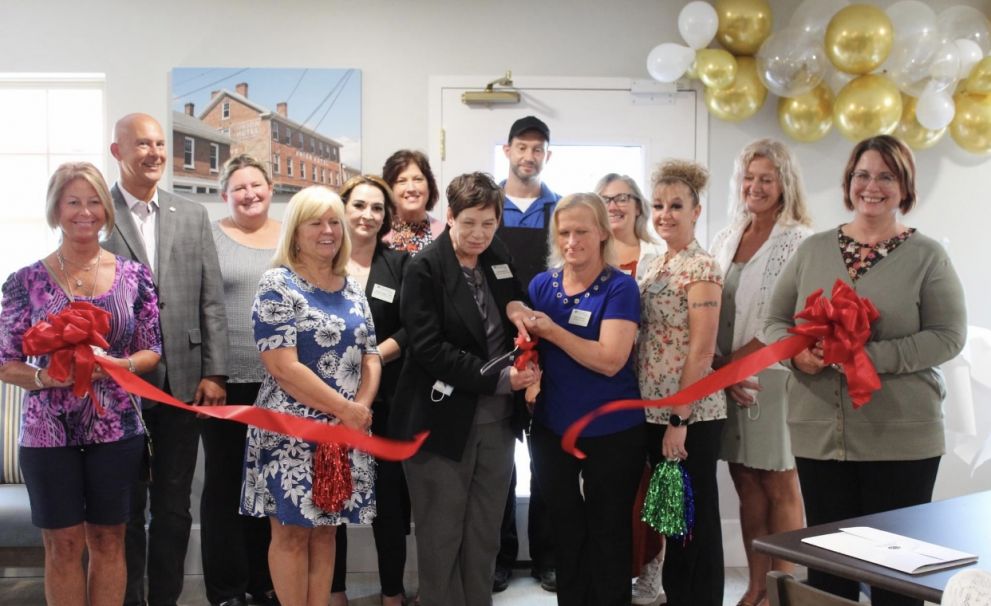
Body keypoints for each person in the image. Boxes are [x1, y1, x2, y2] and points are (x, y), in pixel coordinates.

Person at [765, 135, 967, 606]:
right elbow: (774, 321)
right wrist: (796, 353)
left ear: (904, 187)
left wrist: (863, 357)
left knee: (895, 579)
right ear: (848, 182)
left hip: (901, 439)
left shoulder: (928, 257)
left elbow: (947, 336)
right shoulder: (812, 249)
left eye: (885, 176)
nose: (871, 186)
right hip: (818, 436)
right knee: (828, 572)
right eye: (861, 175)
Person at [0, 162, 162, 606]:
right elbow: (5, 361)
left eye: (93, 202)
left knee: (110, 540)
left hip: (116, 431)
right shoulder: (24, 281)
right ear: (56, 210)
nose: (84, 212)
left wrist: (119, 362)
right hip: (47, 434)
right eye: (73, 202)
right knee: (63, 545)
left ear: (106, 210)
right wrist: (42, 376)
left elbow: (153, 351)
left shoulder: (134, 276)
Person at [390, 172, 538, 606]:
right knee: (441, 536)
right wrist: (498, 378)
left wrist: (515, 306)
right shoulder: (424, 268)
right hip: (440, 422)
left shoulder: (496, 254)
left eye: (488, 224)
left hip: (497, 422)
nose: (478, 234)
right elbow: (429, 349)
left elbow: (512, 300)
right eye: (469, 222)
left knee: (484, 532)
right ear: (450, 216)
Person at [103, 113, 229, 606]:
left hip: (184, 381)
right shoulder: (99, 211)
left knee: (174, 509)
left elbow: (211, 298)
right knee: (127, 509)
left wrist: (214, 371)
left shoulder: (191, 214)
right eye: (142, 144)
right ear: (117, 151)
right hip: (118, 388)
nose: (154, 153)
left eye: (160, 144)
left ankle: (166, 601)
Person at [241, 185, 380, 606]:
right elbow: (283, 366)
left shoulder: (351, 286)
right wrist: (344, 408)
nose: (328, 230)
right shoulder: (277, 284)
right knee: (291, 533)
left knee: (326, 529)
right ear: (296, 231)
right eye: (315, 222)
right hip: (291, 432)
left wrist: (359, 410)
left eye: (334, 221)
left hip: (344, 428)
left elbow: (371, 355)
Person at [519, 192, 646, 606]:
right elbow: (527, 342)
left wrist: (553, 331)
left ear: (603, 233)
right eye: (564, 232)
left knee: (609, 532)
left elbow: (611, 360)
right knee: (565, 530)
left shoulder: (621, 288)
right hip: (553, 429)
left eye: (581, 231)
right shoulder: (543, 285)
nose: (571, 241)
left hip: (614, 432)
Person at [711, 139, 813, 606]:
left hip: (770, 376)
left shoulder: (797, 240)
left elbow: (789, 319)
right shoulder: (728, 234)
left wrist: (736, 368)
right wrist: (720, 369)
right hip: (727, 377)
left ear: (784, 184)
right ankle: (756, 588)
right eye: (749, 178)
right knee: (745, 483)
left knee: (778, 482)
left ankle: (785, 592)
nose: (755, 186)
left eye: (766, 179)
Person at [639, 160, 726, 606]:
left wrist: (680, 418)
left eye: (676, 205)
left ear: (696, 210)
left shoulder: (702, 267)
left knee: (696, 517)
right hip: (651, 410)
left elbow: (702, 350)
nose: (665, 214)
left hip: (690, 414)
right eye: (658, 205)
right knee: (673, 517)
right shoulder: (654, 264)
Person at [203, 155, 280, 606]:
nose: (250, 194)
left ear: (271, 188)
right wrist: (210, 371)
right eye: (240, 188)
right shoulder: (210, 237)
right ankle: (227, 590)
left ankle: (264, 582)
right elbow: (200, 303)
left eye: (258, 185)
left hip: (282, 382)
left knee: (268, 487)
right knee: (225, 485)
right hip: (226, 384)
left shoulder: (291, 235)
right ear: (224, 195)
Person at [330, 175, 410, 606]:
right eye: (359, 205)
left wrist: (372, 357)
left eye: (377, 208)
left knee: (388, 502)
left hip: (388, 401)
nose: (367, 215)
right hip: (330, 401)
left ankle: (392, 593)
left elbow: (413, 327)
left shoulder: (400, 265)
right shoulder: (322, 261)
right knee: (333, 494)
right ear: (343, 208)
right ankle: (335, 590)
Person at [494, 115, 561, 594]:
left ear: (547, 156)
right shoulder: (486, 207)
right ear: (507, 150)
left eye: (538, 148)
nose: (529, 155)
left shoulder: (561, 211)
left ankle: (549, 557)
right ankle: (498, 556)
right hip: (494, 346)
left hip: (551, 345)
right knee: (498, 457)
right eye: (522, 146)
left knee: (547, 457)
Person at [594, 173, 665, 605]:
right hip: (607, 389)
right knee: (618, 491)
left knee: (653, 487)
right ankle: (614, 574)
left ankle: (651, 575)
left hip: (653, 388)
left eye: (623, 198)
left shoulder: (657, 255)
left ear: (638, 205)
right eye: (606, 199)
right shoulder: (586, 255)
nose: (615, 205)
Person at [381, 149, 445, 254]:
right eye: (401, 181)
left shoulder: (445, 235)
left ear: (429, 185)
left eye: (418, 179)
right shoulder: (377, 233)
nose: (411, 188)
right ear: (389, 188)